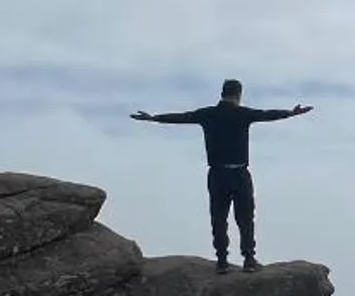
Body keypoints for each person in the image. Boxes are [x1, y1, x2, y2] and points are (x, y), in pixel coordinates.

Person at [130, 79, 313, 271]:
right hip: (239, 173)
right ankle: (249, 259)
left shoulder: (208, 114)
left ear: (222, 93)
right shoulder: (242, 113)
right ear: (239, 95)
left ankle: (222, 262)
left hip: (217, 174)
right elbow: (267, 115)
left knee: (218, 218)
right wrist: (290, 113)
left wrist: (154, 118)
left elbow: (182, 117)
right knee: (245, 218)